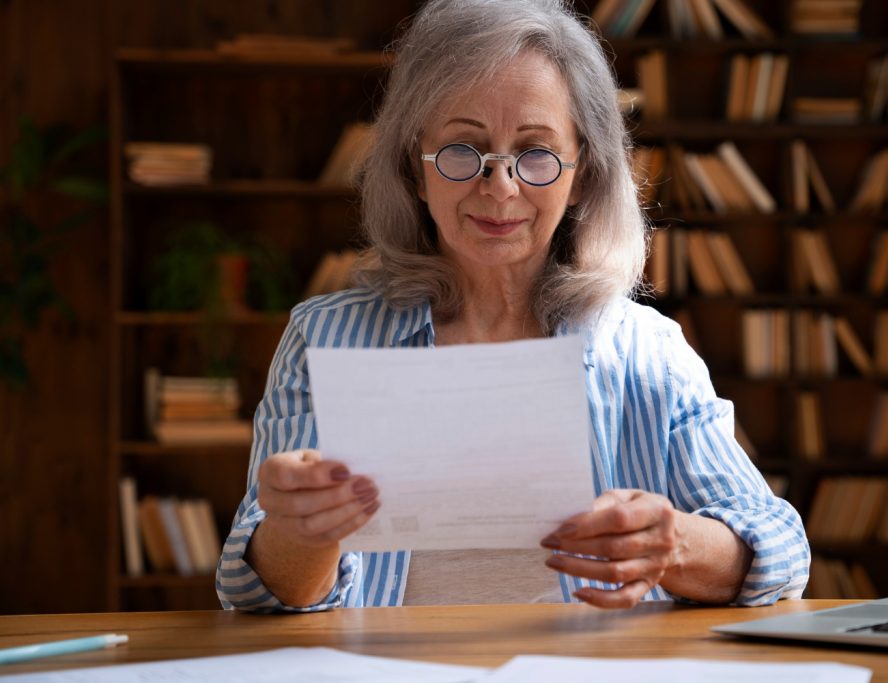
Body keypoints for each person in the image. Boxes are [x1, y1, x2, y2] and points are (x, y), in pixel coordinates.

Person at [217, 0, 809, 612]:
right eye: (462, 150)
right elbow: (257, 591)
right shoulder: (328, 339)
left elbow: (784, 554)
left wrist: (677, 544)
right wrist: (300, 531)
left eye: (536, 153)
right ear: (416, 172)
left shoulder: (647, 352)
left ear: (581, 175)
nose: (499, 187)